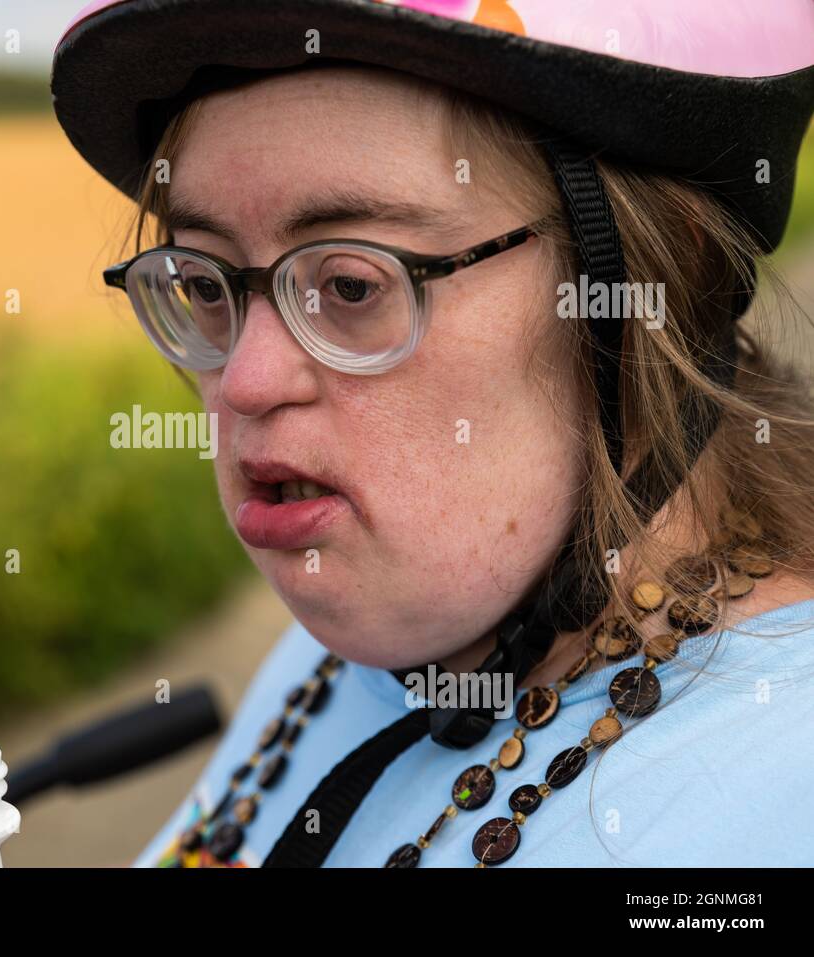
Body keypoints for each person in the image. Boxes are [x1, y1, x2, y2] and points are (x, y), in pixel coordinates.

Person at [51, 0, 814, 866]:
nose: (246, 378)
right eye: (204, 282)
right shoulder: (351, 656)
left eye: (348, 284)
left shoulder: (776, 795)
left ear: (643, 296)